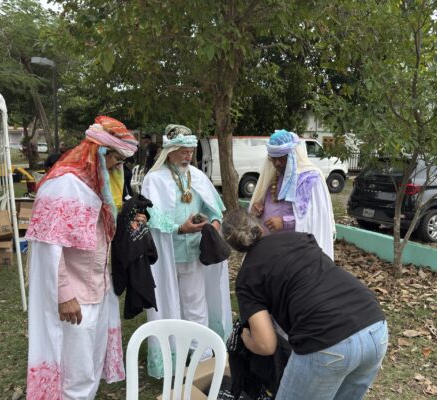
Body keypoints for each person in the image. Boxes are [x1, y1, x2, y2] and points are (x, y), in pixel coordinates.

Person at [25, 116, 141, 399]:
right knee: (75, 370)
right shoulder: (65, 184)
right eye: (116, 157)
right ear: (99, 152)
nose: (118, 165)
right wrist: (64, 295)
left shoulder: (96, 182)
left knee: (89, 364)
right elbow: (48, 247)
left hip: (98, 288)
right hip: (74, 296)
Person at [223, 209, 388, 400]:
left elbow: (266, 344)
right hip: (375, 327)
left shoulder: (247, 277)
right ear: (259, 226)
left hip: (326, 340)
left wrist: (247, 339)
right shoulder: (300, 238)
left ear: (233, 246)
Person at [141, 124, 232, 378]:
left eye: (190, 150)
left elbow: (216, 210)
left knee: (194, 302)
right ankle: (173, 353)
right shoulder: (154, 179)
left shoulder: (198, 176)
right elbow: (151, 215)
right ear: (169, 151)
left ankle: (200, 353)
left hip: (194, 253)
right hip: (166, 253)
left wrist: (213, 224)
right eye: (183, 150)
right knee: (168, 303)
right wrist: (180, 228)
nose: (188, 155)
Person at [249, 129, 336, 260]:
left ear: (292, 155)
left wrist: (284, 222)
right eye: (273, 159)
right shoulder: (275, 175)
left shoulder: (311, 178)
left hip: (295, 252)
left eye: (282, 158)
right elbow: (268, 203)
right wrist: (258, 207)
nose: (277, 163)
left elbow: (314, 218)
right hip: (271, 248)